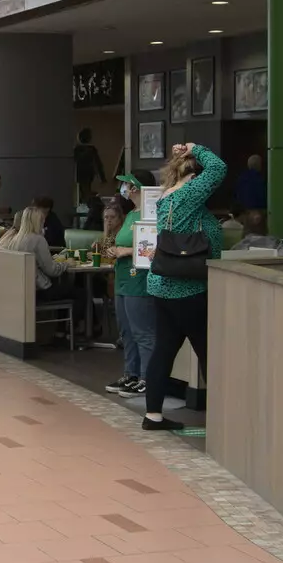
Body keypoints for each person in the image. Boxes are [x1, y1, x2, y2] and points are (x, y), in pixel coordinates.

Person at [143, 143, 225, 432]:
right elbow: (219, 168)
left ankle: (153, 415)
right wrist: (195, 147)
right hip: (188, 289)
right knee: (209, 353)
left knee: (163, 350)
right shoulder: (190, 194)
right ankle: (221, 418)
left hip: (162, 286)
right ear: (195, 175)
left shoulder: (167, 197)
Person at [105, 171, 157, 399]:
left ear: (135, 187)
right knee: (126, 331)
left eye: (126, 184)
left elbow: (151, 247)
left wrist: (125, 251)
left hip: (139, 279)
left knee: (142, 331)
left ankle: (147, 377)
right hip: (123, 278)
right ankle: (131, 373)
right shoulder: (130, 215)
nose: (123, 188)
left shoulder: (150, 214)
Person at [0, 206, 73, 301]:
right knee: (80, 293)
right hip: (38, 291)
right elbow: (52, 270)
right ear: (38, 221)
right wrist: (66, 264)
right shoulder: (38, 239)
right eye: (42, 221)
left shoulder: (15, 239)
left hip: (21, 291)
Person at [73, 129, 106, 205]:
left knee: (80, 190)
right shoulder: (91, 149)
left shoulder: (76, 149)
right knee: (86, 190)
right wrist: (102, 177)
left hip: (78, 173)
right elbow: (97, 164)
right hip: (87, 173)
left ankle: (81, 203)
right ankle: (86, 204)